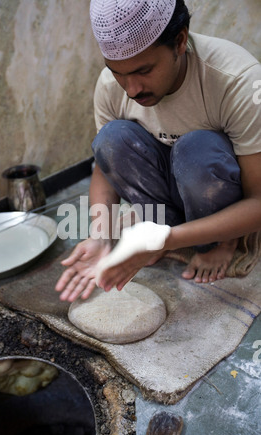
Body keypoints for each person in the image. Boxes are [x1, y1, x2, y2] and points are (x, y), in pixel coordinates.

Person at [55, 0, 261, 303]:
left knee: (195, 151)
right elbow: (105, 166)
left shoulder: (238, 80)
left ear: (179, 41)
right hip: (167, 187)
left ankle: (219, 242)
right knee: (111, 139)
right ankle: (162, 226)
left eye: (144, 70)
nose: (132, 89)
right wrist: (102, 236)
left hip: (213, 186)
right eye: (118, 73)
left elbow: (258, 200)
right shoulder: (112, 87)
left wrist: (169, 241)